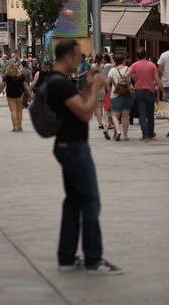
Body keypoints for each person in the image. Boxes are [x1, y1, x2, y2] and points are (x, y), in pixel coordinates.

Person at [49, 39, 123, 275]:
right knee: (91, 201)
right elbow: (84, 112)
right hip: (74, 147)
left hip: (67, 144)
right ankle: (93, 259)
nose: (80, 61)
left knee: (73, 202)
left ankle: (67, 257)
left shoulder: (58, 82)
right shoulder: (60, 83)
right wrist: (97, 85)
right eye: (78, 56)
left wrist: (87, 86)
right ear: (69, 57)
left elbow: (76, 103)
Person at [126, 48, 165, 141]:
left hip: (139, 91)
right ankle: (151, 133)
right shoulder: (151, 65)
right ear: (145, 55)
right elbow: (157, 78)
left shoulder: (134, 65)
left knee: (142, 113)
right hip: (150, 91)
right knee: (150, 114)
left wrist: (130, 85)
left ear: (137, 56)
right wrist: (162, 90)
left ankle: (145, 134)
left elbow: (126, 75)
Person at [105, 54, 133, 141]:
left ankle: (118, 131)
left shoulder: (112, 70)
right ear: (124, 60)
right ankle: (125, 135)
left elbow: (107, 82)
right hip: (128, 94)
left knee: (115, 115)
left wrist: (108, 90)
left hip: (116, 95)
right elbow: (133, 78)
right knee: (125, 116)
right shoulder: (128, 69)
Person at [0, 63, 30, 131]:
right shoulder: (21, 76)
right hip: (19, 94)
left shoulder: (7, 76)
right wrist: (29, 93)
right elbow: (25, 85)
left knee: (13, 110)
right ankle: (19, 126)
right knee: (19, 110)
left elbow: (2, 86)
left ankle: (15, 126)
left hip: (10, 95)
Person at [91, 54, 105, 130]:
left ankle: (100, 124)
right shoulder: (103, 66)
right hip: (102, 87)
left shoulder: (92, 66)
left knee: (98, 107)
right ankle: (107, 122)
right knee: (105, 106)